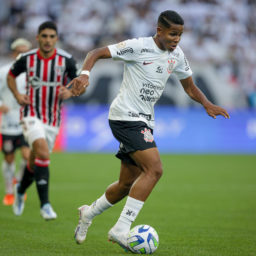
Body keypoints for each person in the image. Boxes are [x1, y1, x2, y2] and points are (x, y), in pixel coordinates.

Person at [69, 10, 230, 250]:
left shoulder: (177, 56)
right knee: (154, 169)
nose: (177, 39)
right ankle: (121, 229)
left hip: (144, 121)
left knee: (126, 184)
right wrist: (84, 75)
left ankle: (88, 213)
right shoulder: (138, 46)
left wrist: (207, 103)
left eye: (180, 35)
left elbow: (189, 87)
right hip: (125, 116)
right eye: (173, 34)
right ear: (160, 31)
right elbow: (97, 53)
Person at [7, 21, 79, 220]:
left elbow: (79, 85)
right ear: (38, 38)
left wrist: (71, 91)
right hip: (30, 113)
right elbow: (11, 76)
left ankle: (20, 190)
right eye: (44, 36)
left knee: (35, 160)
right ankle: (45, 205)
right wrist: (17, 95)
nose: (48, 40)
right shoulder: (27, 58)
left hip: (53, 120)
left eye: (51, 36)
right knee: (41, 150)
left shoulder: (67, 60)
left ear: (56, 38)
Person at [0, 38, 31, 206]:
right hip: (8, 124)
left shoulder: (32, 73)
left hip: (26, 122)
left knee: (27, 156)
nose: (22, 55)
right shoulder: (4, 72)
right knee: (9, 158)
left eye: (26, 52)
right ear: (14, 53)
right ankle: (9, 192)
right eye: (20, 52)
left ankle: (18, 182)